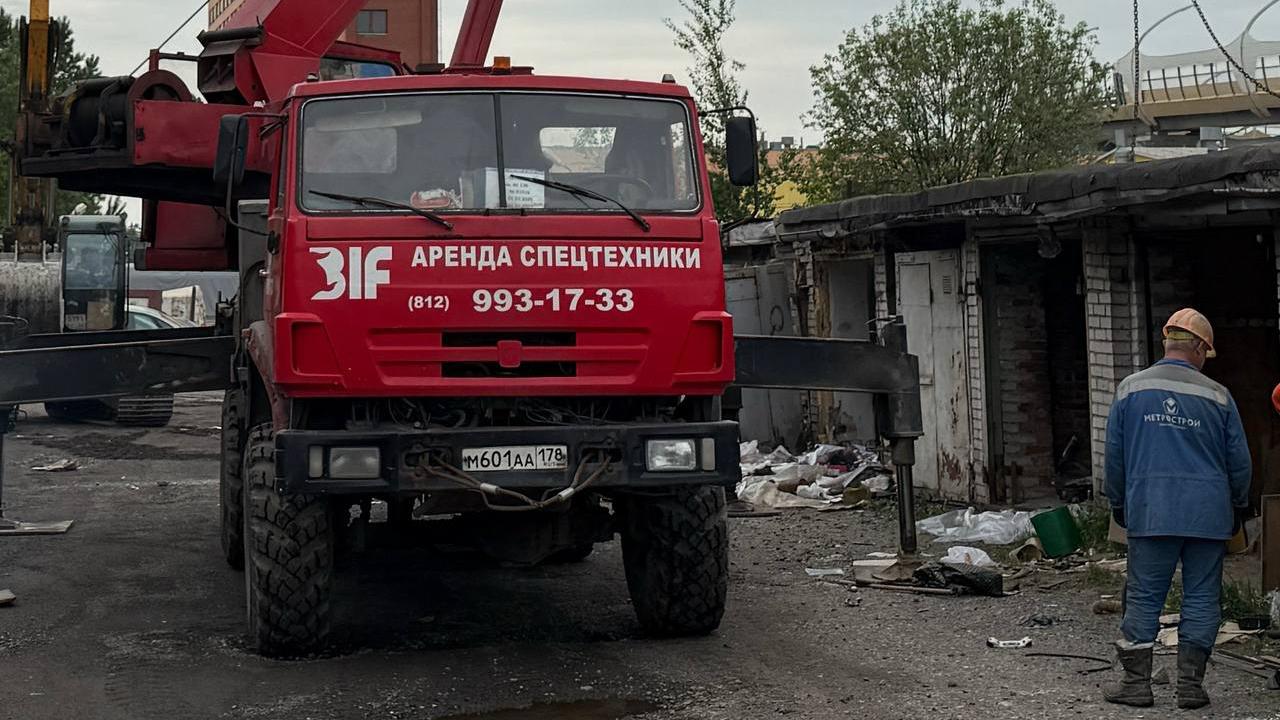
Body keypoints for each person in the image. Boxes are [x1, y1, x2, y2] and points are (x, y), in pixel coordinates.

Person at [1103, 308, 1252, 709]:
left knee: (1145, 596)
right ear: (1201, 348)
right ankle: (1190, 688)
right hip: (1208, 514)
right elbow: (1239, 462)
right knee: (1202, 596)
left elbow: (1114, 456)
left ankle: (1136, 685)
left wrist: (1118, 501)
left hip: (1151, 510)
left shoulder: (1130, 389)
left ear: (1167, 342)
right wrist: (1239, 506)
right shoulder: (1218, 395)